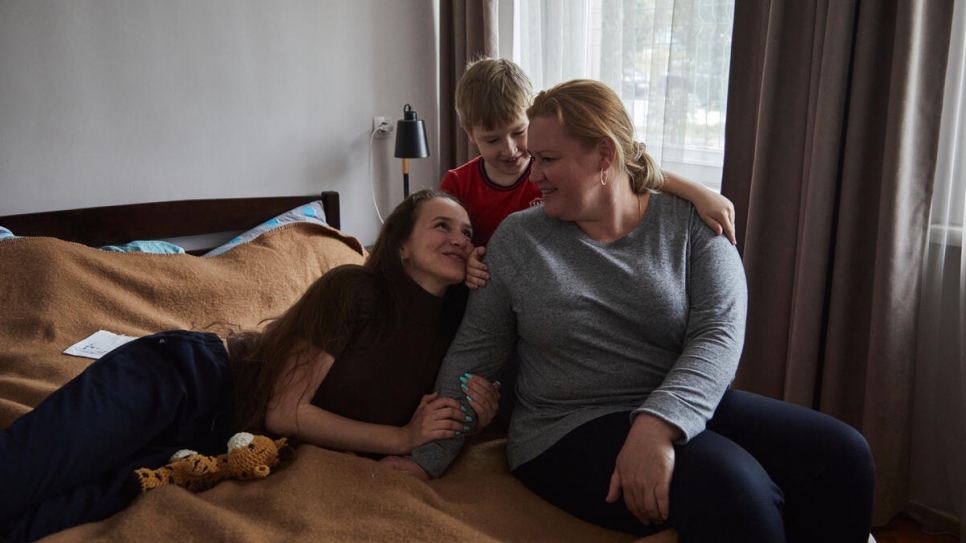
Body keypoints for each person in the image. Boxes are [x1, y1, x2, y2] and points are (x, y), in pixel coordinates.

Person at [403, 80, 876, 542]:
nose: (533, 174)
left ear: (604, 156)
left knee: (842, 453)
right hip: (565, 428)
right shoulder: (518, 239)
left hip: (674, 399)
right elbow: (474, 354)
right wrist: (424, 459)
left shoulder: (692, 223)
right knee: (733, 486)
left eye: (547, 159)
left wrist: (657, 424)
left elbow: (719, 334)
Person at [0, 189, 501, 543]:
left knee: (43, 520)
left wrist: (478, 415)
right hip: (187, 378)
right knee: (21, 473)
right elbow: (285, 410)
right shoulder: (355, 289)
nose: (459, 238)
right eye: (441, 226)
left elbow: (445, 411)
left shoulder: (452, 337)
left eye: (467, 231)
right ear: (400, 246)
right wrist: (401, 438)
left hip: (215, 447)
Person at [440, 57, 737, 289]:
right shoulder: (458, 183)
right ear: (469, 134)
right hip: (491, 288)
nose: (510, 150)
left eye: (519, 133)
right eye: (492, 140)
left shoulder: (551, 170)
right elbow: (445, 242)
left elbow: (634, 169)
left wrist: (700, 194)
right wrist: (465, 262)